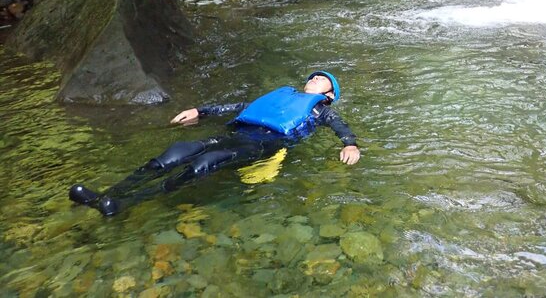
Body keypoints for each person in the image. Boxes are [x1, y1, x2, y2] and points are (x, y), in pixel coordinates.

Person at [69, 71, 360, 216]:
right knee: (175, 153)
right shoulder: (281, 96)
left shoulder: (320, 109)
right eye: (312, 76)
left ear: (330, 94)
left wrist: (349, 144)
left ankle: (123, 204)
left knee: (203, 164)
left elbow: (340, 126)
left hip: (265, 144)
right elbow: (238, 105)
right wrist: (201, 111)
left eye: (321, 79)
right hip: (239, 132)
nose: (314, 79)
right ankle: (103, 196)